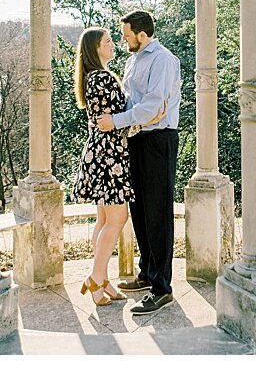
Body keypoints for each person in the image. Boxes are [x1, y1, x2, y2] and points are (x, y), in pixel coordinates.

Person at [70, 27, 165, 307]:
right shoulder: (102, 78)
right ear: (96, 49)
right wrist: (148, 120)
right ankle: (96, 278)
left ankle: (103, 278)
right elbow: (115, 121)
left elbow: (110, 119)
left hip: (101, 152)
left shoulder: (92, 77)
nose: (114, 45)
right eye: (108, 42)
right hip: (109, 154)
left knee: (104, 220)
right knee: (117, 219)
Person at [97, 10, 182, 316]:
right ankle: (147, 273)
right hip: (135, 137)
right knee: (141, 209)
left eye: (127, 34)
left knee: (158, 211)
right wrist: (127, 122)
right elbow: (136, 104)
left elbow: (151, 107)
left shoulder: (163, 60)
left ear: (142, 35)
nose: (123, 39)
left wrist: (116, 121)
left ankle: (162, 288)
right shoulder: (134, 59)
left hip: (159, 140)